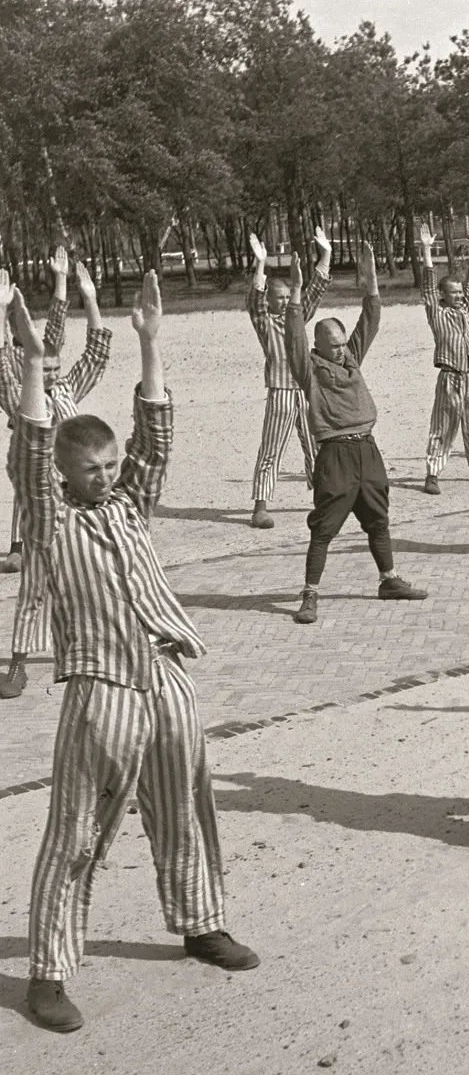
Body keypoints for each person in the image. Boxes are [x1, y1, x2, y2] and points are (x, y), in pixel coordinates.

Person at [10, 270, 258, 1034]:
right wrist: (27, 359)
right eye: (93, 469)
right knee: (77, 830)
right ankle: (49, 972)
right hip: (101, 692)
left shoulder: (128, 502)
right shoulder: (52, 519)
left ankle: (199, 922)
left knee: (186, 806)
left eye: (110, 466)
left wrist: (150, 344)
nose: (107, 475)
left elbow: (155, 437)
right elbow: (27, 449)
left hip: (165, 676)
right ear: (64, 472)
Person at [284, 243, 427, 623]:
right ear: (318, 347)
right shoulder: (309, 368)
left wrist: (372, 284)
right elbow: (293, 338)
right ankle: (310, 594)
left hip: (368, 450)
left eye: (343, 343)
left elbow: (370, 321)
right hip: (335, 456)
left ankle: (389, 579)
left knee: (378, 520)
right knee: (324, 528)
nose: (341, 350)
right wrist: (297, 295)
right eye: (333, 346)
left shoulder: (352, 357)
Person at [0, 252, 111, 701]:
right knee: (34, 588)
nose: (49, 371)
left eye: (52, 366)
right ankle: (18, 665)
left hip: (80, 503)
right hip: (42, 507)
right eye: (41, 365)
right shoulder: (18, 397)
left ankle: (107, 646)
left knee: (99, 574)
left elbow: (95, 352)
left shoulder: (68, 387)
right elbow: (8, 358)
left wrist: (84, 295)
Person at [246, 230, 329, 528]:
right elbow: (253, 301)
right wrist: (260, 264)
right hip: (280, 390)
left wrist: (326, 256)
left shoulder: (297, 316)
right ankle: (260, 506)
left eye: (286, 297)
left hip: (306, 390)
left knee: (316, 445)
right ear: (269, 299)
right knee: (271, 447)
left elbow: (313, 293)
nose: (283, 302)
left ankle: (324, 499)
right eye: (277, 297)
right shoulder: (264, 321)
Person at [0, 250, 70, 573]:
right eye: (17, 318)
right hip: (26, 426)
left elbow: (56, 327)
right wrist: (1, 310)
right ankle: (17, 547)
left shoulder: (40, 350)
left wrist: (60, 280)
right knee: (26, 486)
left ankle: (58, 536)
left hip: (53, 428)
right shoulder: (15, 356)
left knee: (56, 483)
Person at [418, 220, 469, 495]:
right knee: (443, 424)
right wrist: (427, 251)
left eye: (460, 292)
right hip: (449, 377)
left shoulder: (463, 309)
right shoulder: (436, 312)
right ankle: (432, 474)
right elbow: (428, 287)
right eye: (453, 292)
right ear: (442, 295)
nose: (459, 295)